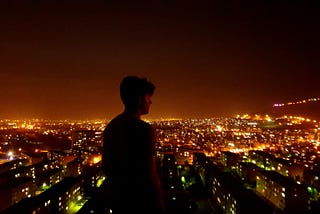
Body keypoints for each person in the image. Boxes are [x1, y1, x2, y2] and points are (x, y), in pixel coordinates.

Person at [102, 75, 165, 213]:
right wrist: (160, 206)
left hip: (118, 202)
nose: (151, 102)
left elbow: (106, 167)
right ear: (139, 99)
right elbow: (150, 175)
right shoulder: (143, 130)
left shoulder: (111, 127)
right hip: (141, 203)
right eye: (148, 98)